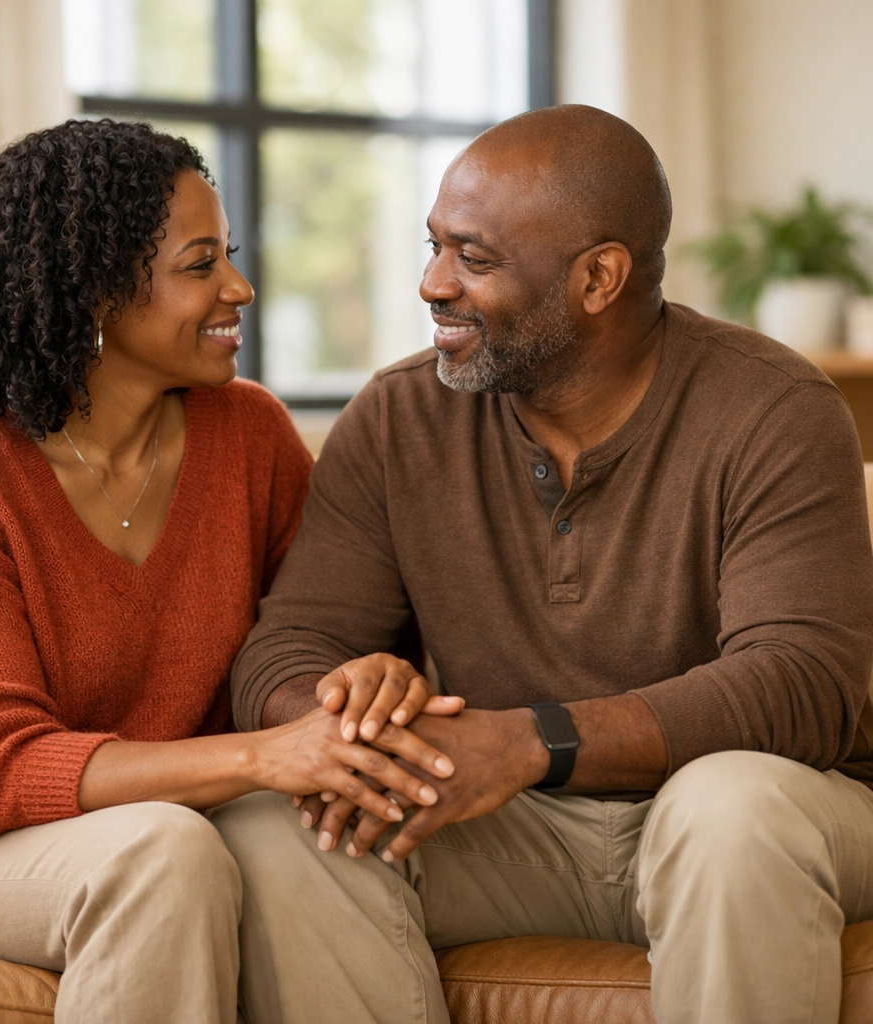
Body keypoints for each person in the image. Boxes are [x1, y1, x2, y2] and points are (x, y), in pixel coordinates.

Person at [213, 104, 873, 1024]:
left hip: (752, 811)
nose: (431, 284)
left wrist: (531, 740)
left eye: (472, 259)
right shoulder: (399, 418)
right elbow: (284, 651)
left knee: (730, 806)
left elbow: (804, 687)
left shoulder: (775, 410)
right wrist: (341, 711)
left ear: (599, 277)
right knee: (279, 823)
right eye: (434, 246)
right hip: (517, 833)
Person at [0, 119, 462, 1024]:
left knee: (260, 838)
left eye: (232, 256)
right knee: (160, 854)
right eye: (199, 264)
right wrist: (262, 755)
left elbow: (325, 632)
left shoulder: (248, 433)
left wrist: (363, 676)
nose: (239, 288)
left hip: (164, 811)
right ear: (95, 292)